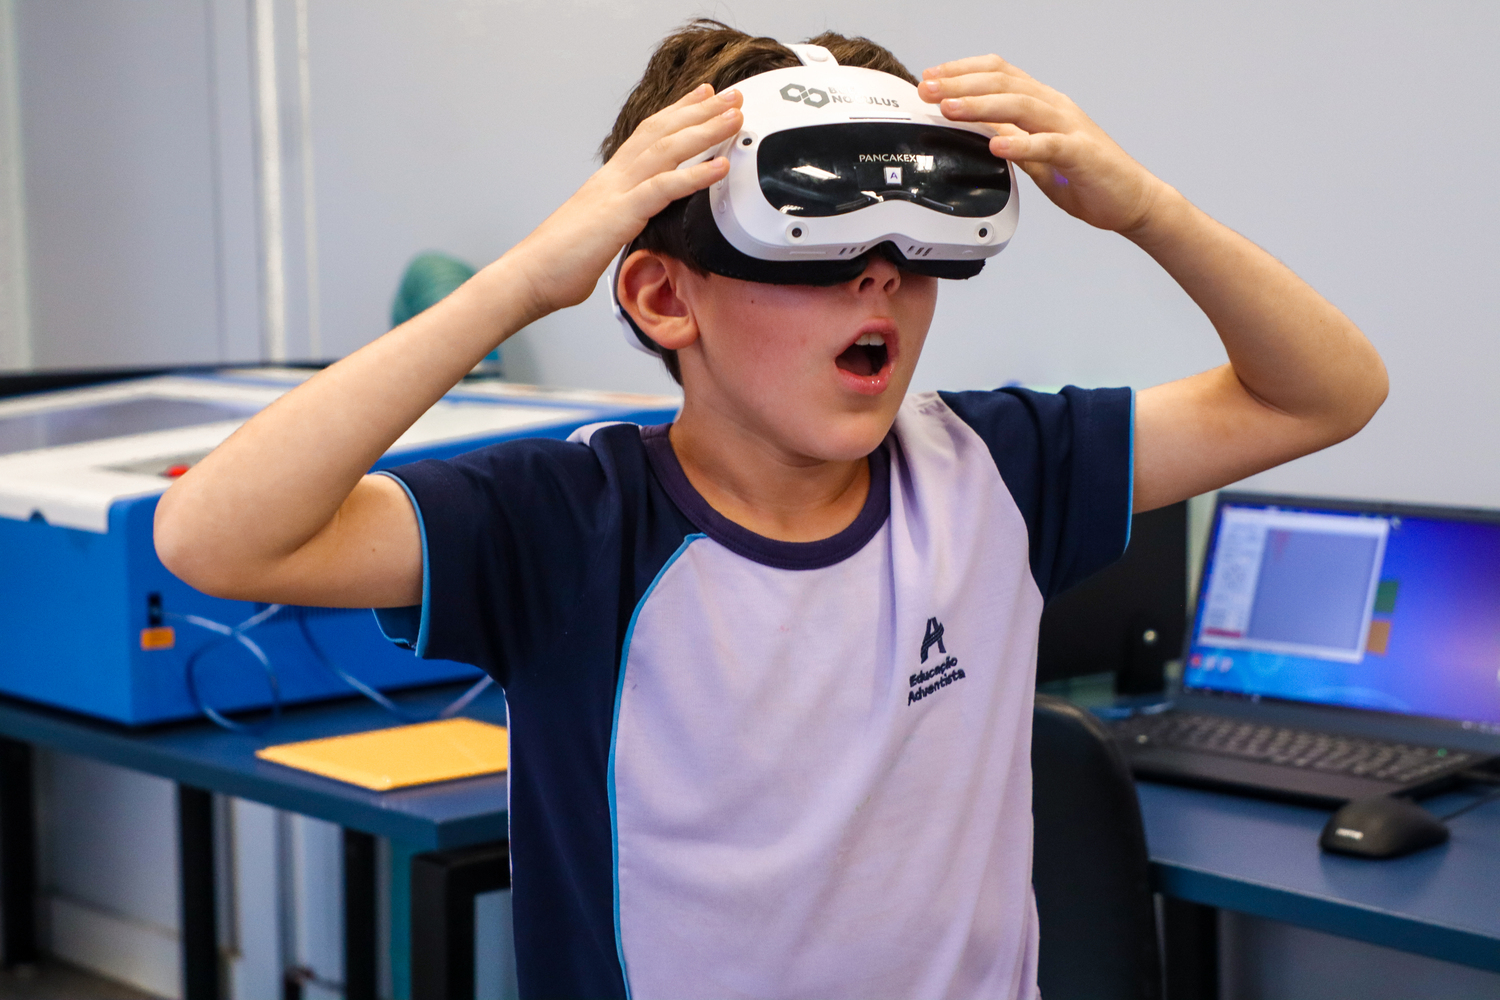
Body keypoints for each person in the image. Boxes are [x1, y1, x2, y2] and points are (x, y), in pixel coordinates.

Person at [154, 20, 1386, 1000]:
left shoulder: (996, 472)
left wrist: (1147, 209)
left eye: (912, 256)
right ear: (664, 296)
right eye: (818, 249)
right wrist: (528, 280)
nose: (879, 282)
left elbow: (1328, 391)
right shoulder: (568, 521)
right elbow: (214, 537)